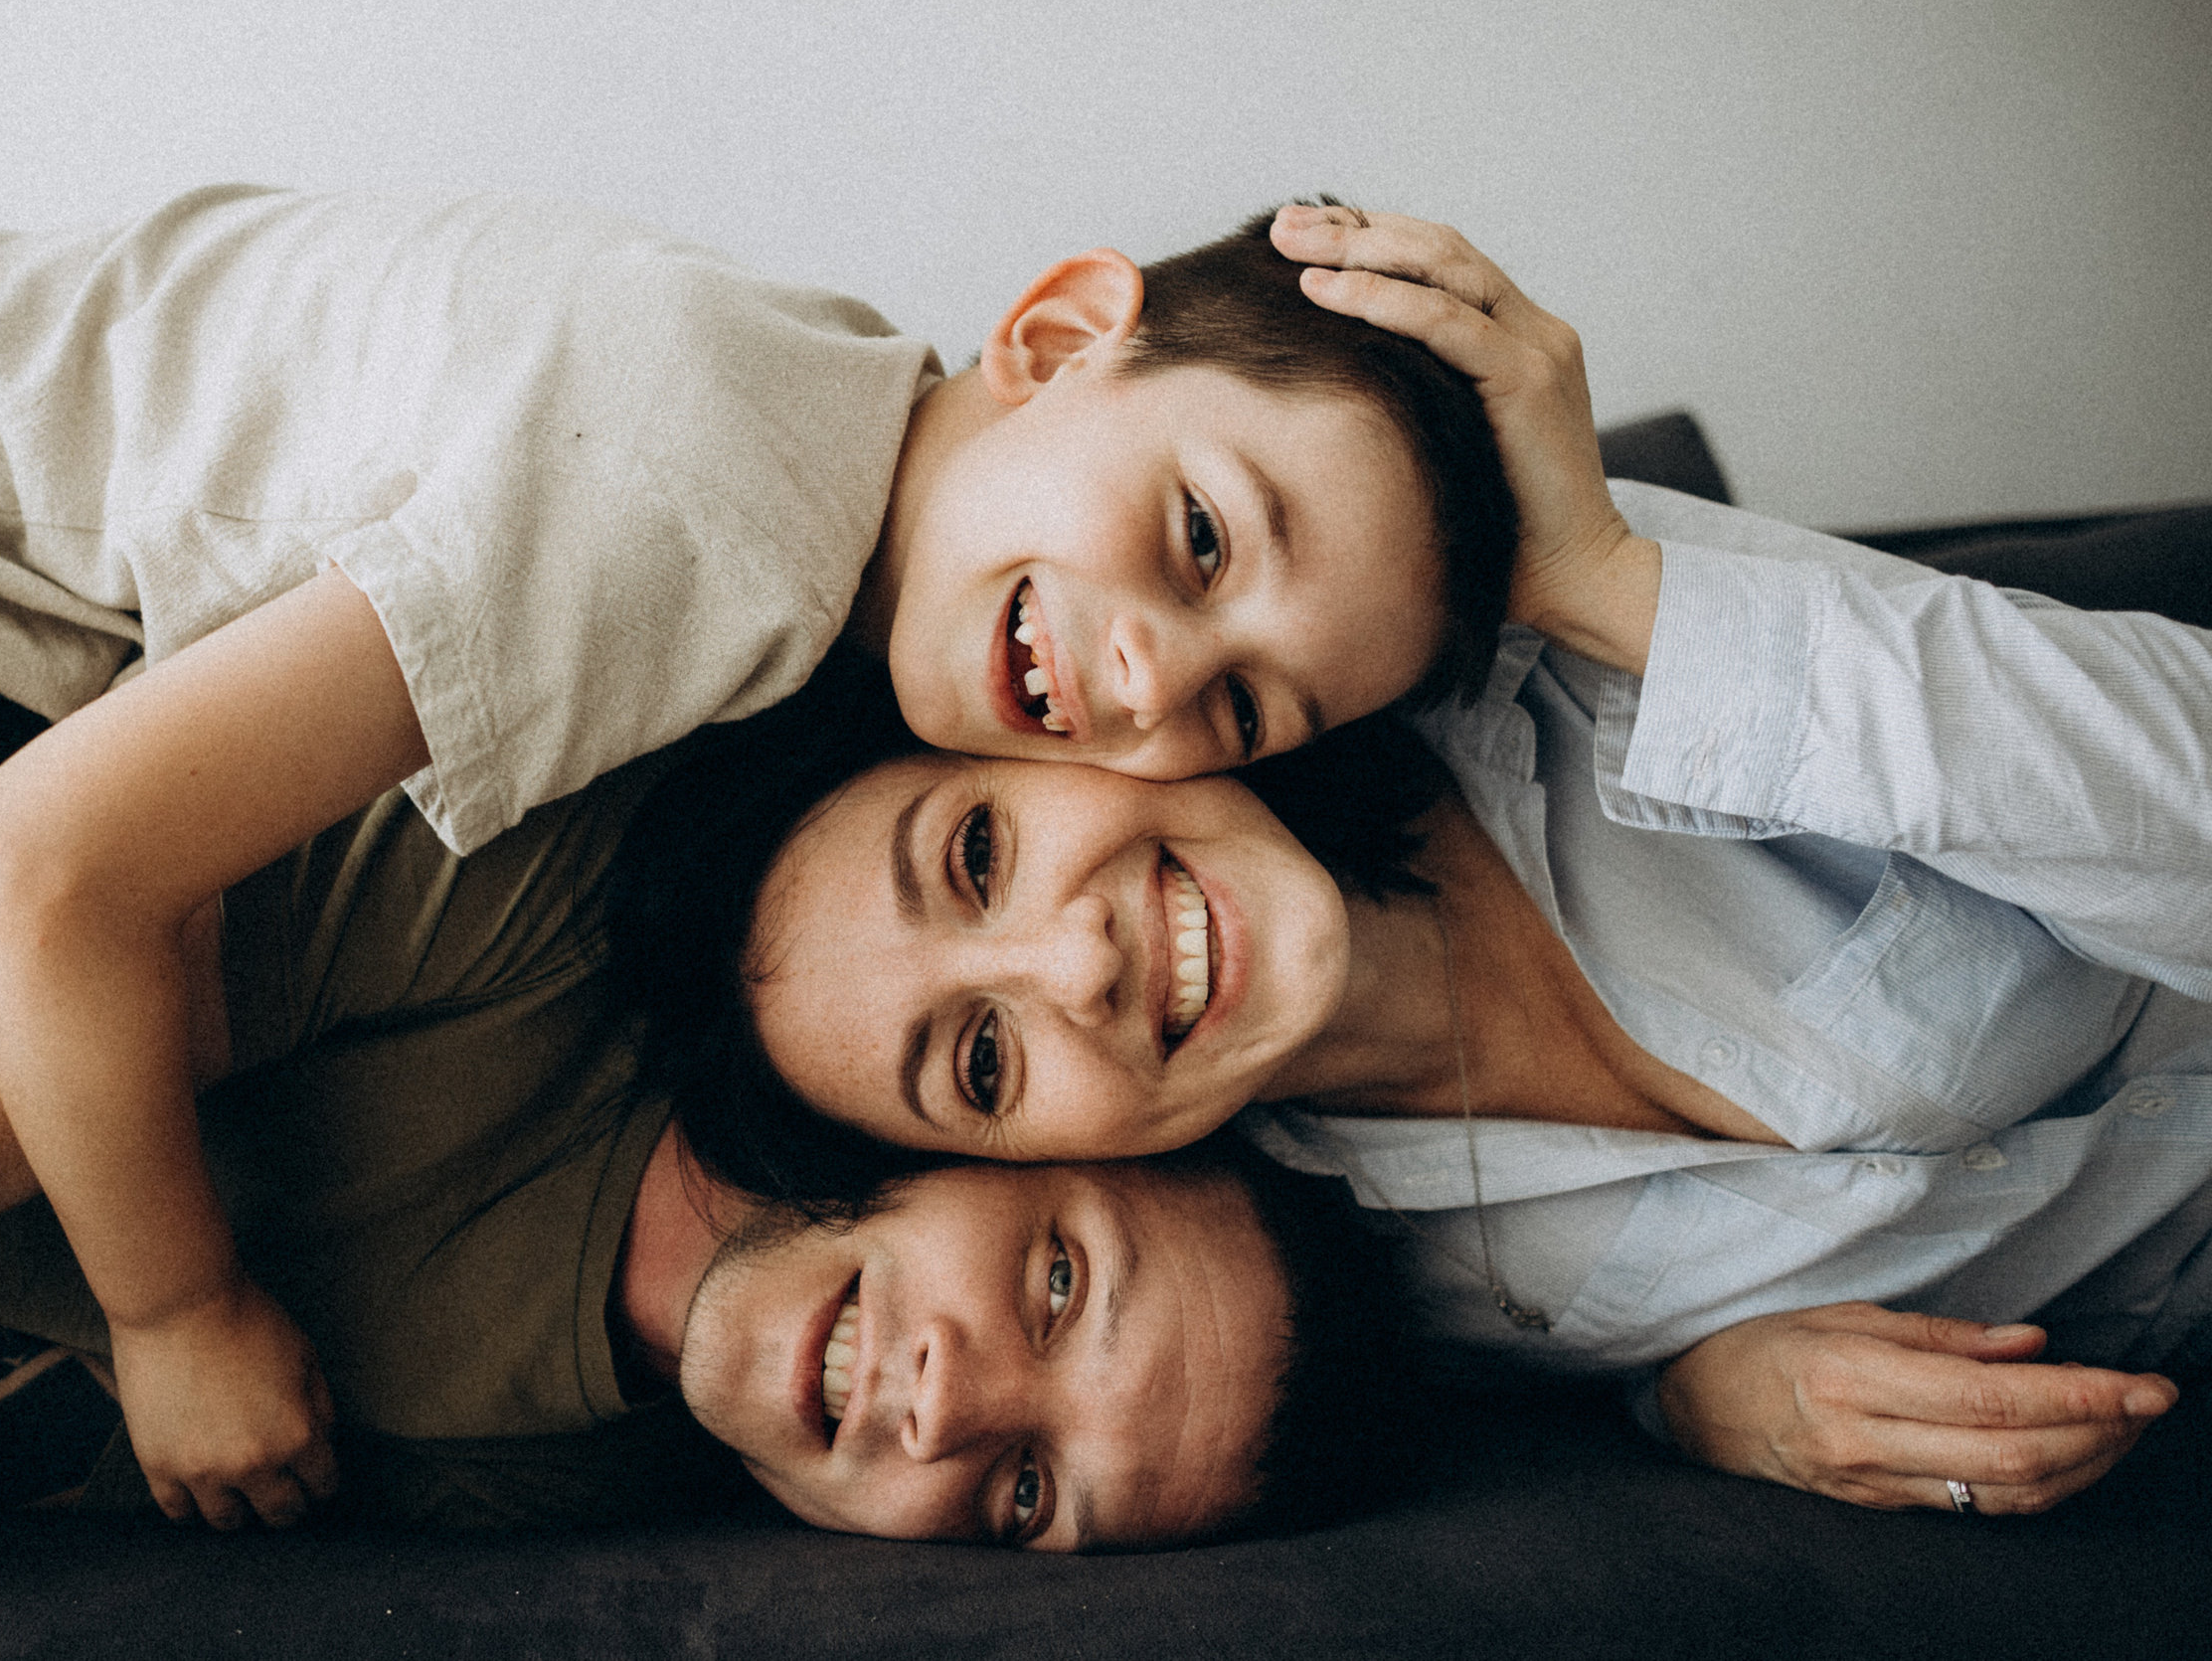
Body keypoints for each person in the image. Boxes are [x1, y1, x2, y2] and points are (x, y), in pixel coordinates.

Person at [0, 191, 1510, 1520]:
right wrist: (181, 1312)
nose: (1147, 679)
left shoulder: (814, 571)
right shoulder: (705, 528)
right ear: (1047, 337)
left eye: (1246, 712)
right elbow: (40, 869)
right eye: (1197, 538)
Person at [608, 207, 2212, 1518]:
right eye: (977, 1058)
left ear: (1047, 732)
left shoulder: (1571, 660)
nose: (1069, 966)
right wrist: (1692, 1393)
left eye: (975, 856)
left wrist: (1610, 584)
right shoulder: (1319, 1272)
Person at [0, 750, 1416, 1542]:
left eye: (1028, 1497)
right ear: (1024, 1133)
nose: (952, 1410)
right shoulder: (541, 893)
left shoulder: (602, 1477)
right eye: (1053, 1284)